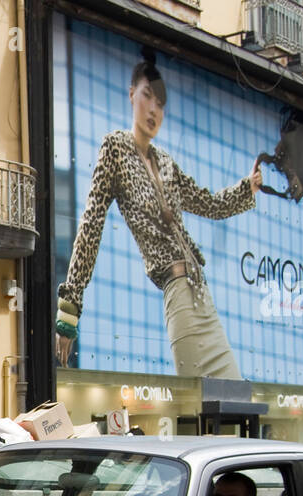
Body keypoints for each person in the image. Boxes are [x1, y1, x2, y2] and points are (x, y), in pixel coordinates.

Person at [56, 57, 263, 375]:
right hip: (177, 292)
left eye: (161, 103)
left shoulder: (164, 161)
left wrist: (246, 188)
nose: (154, 109)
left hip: (201, 294)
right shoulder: (115, 149)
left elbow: (206, 203)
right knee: (206, 407)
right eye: (147, 96)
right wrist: (69, 311)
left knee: (234, 397)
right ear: (131, 95)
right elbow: (91, 224)